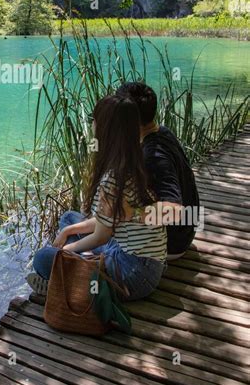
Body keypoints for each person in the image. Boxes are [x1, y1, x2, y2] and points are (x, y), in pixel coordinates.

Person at [27, 95, 167, 301]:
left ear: (105, 129)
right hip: (149, 264)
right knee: (68, 219)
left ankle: (68, 281)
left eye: (95, 119)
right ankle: (79, 266)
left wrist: (64, 253)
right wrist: (68, 231)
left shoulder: (113, 178)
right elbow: (108, 222)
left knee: (42, 258)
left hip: (133, 274)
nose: (92, 124)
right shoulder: (136, 161)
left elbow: (101, 236)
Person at [115, 82, 200, 259]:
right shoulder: (162, 132)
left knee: (74, 224)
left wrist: (133, 213)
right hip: (185, 233)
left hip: (172, 244)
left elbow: (175, 210)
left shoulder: (153, 155)